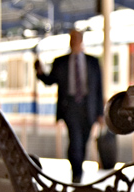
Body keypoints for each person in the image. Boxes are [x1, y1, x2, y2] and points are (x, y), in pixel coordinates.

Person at [34, 29, 104, 183]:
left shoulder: (93, 62)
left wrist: (100, 113)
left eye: (76, 39)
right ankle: (77, 173)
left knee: (84, 140)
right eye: (71, 39)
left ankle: (78, 167)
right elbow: (50, 80)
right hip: (70, 107)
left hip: (88, 107)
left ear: (81, 41)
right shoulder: (61, 62)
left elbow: (99, 88)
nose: (73, 42)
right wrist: (39, 72)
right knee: (75, 140)